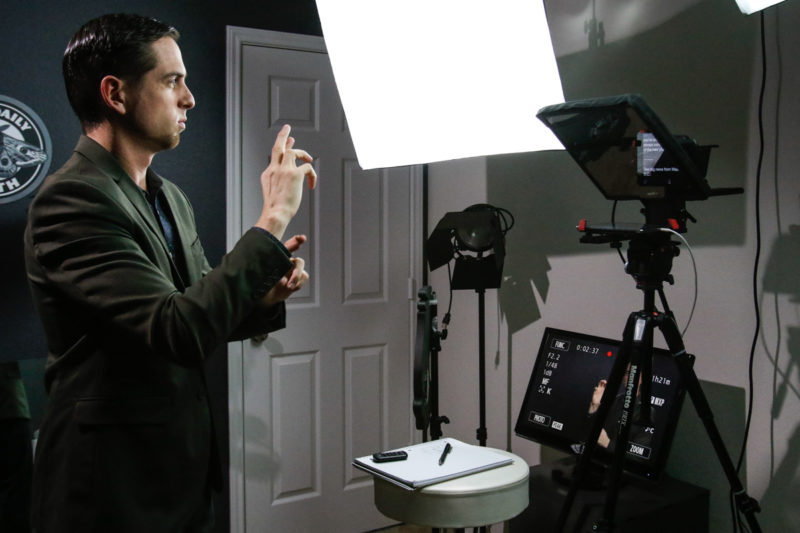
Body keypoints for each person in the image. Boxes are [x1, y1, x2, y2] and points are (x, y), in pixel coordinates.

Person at [23, 13, 317, 532]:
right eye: (171, 81)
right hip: (111, 489)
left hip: (179, 474)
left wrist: (263, 300)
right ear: (115, 93)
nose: (190, 99)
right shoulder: (71, 199)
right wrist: (272, 218)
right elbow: (176, 330)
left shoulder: (169, 197)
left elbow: (200, 311)